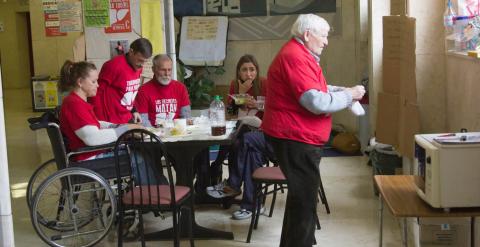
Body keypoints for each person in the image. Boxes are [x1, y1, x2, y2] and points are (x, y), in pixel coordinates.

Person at [261, 14, 365, 246]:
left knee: (301, 198)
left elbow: (316, 88)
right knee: (304, 201)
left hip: (297, 136)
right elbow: (316, 102)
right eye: (324, 36)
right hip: (295, 136)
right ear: (307, 35)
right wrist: (349, 95)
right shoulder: (295, 57)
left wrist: (343, 91)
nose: (326, 42)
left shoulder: (300, 55)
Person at [58, 60, 143, 161]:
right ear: (80, 82)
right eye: (93, 81)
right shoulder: (74, 104)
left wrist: (120, 126)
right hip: (89, 158)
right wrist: (125, 130)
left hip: (92, 153)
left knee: (140, 149)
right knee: (141, 156)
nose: (97, 85)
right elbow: (92, 138)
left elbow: (94, 124)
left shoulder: (76, 101)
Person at [90, 38, 153, 124]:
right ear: (131, 52)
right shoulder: (113, 66)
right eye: (140, 60)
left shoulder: (138, 67)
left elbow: (130, 91)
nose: (142, 65)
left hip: (126, 118)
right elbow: (95, 92)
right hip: (110, 121)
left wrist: (134, 110)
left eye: (145, 62)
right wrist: (99, 120)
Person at [135, 54, 191, 127]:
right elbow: (143, 121)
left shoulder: (180, 88)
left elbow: (186, 117)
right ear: (153, 69)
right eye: (163, 70)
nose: (167, 74)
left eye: (169, 70)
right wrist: (155, 135)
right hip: (154, 135)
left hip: (177, 133)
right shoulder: (143, 91)